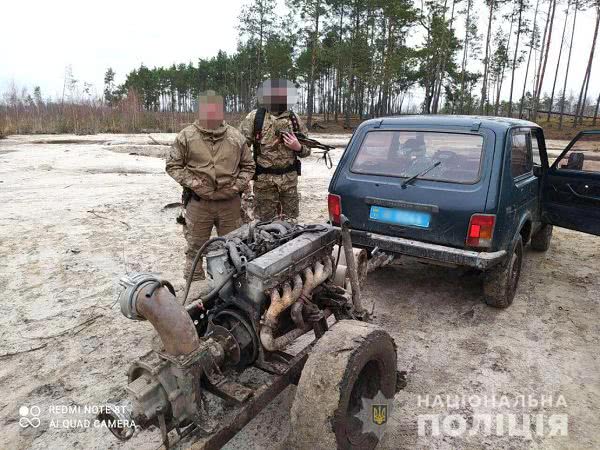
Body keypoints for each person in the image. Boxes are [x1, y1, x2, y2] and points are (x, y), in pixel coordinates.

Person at [166, 91, 255, 289]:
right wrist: (195, 184)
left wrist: (236, 186)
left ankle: (231, 290)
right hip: (199, 204)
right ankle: (196, 291)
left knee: (234, 248)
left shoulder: (235, 137)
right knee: (195, 250)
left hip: (230, 205)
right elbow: (173, 165)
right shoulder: (186, 137)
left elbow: (249, 166)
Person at [239, 79, 311, 221]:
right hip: (264, 183)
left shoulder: (294, 119)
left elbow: (307, 150)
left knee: (291, 222)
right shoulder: (255, 118)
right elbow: (240, 147)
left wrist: (298, 147)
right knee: (264, 223)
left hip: (289, 183)